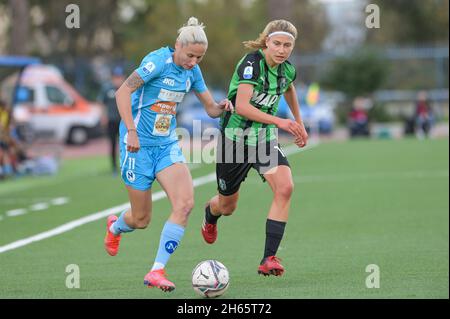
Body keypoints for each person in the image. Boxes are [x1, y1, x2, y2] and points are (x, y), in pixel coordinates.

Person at [103, 17, 233, 292]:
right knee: (141, 220)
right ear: (177, 46)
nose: (194, 61)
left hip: (166, 146)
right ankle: (115, 227)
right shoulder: (156, 62)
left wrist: (223, 106)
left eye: (199, 57)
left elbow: (210, 108)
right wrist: (131, 131)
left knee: (185, 204)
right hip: (136, 146)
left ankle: (156, 270)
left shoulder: (193, 71)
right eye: (190, 55)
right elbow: (122, 93)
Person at [201, 20, 308, 277]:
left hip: (263, 140)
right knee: (227, 206)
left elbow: (289, 87)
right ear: (267, 42)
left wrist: (299, 123)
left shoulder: (287, 70)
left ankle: (269, 258)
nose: (282, 50)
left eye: (288, 45)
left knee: (285, 187)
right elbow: (243, 107)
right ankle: (210, 215)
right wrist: (282, 121)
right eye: (277, 44)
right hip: (235, 140)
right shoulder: (252, 64)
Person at [98, 66, 126, 174]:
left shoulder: (127, 87)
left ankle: (126, 165)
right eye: (115, 77)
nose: (117, 79)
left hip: (124, 121)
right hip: (112, 120)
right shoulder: (107, 88)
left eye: (119, 77)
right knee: (113, 144)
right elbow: (101, 103)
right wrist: (103, 116)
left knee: (125, 144)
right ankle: (114, 167)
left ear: (123, 77)